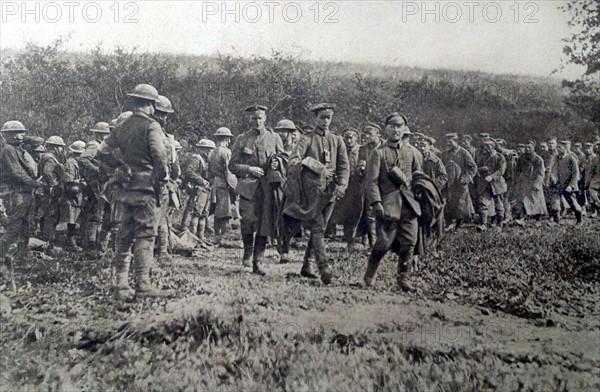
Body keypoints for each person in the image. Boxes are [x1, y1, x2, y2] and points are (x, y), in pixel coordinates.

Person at [97, 83, 170, 300]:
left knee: (125, 236)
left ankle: (120, 285)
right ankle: (143, 285)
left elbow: (101, 153)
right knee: (146, 236)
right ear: (151, 105)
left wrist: (120, 166)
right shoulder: (152, 126)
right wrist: (160, 179)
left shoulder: (121, 126)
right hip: (147, 190)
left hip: (126, 190)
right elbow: (160, 158)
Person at [283, 103, 349, 284]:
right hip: (311, 193)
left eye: (328, 117)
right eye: (322, 117)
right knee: (318, 227)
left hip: (331, 192)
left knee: (319, 228)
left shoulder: (337, 140)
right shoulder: (306, 139)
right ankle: (324, 268)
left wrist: (343, 184)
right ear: (315, 119)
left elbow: (343, 165)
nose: (325, 121)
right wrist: (318, 167)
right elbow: (293, 161)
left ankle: (306, 265)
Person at [363, 113, 423, 291]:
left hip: (409, 205)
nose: (396, 130)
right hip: (388, 205)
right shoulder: (378, 153)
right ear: (386, 129)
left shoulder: (412, 152)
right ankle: (369, 275)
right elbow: (371, 182)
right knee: (383, 243)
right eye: (392, 126)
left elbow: (418, 177)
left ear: (405, 129)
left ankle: (403, 278)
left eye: (400, 126)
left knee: (410, 242)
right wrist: (376, 203)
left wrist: (420, 196)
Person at [229, 105, 284, 275]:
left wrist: (277, 163)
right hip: (248, 186)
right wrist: (249, 169)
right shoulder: (242, 139)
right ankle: (247, 251)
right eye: (254, 118)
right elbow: (232, 165)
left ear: (265, 118)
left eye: (260, 118)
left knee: (264, 223)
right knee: (247, 219)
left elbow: (284, 159)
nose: (257, 121)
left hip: (267, 187)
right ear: (249, 119)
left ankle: (257, 260)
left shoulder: (274, 138)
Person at [0, 121, 43, 269]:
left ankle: (22, 260)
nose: (22, 135)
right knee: (13, 229)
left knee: (25, 229)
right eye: (18, 132)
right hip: (16, 194)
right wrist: (35, 183)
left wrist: (23, 137)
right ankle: (0, 259)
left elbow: (39, 141)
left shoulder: (19, 148)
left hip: (26, 193)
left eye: (23, 132)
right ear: (9, 135)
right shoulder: (8, 150)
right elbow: (16, 172)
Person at [80, 121, 112, 257]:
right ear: (100, 134)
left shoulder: (102, 146)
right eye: (105, 134)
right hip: (97, 184)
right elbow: (83, 159)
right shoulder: (95, 145)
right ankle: (91, 245)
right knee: (96, 215)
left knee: (104, 215)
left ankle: (98, 245)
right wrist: (97, 170)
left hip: (103, 183)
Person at [329, 127, 365, 250]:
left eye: (351, 137)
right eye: (346, 138)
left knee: (358, 212)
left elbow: (364, 164)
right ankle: (349, 239)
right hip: (345, 186)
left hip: (358, 186)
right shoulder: (341, 151)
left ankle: (361, 238)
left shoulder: (361, 150)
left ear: (356, 138)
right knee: (346, 212)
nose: (349, 140)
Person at [441, 133, 477, 230]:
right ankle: (449, 222)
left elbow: (473, 167)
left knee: (461, 203)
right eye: (447, 142)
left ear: (456, 142)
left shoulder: (464, 153)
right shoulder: (444, 154)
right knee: (448, 201)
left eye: (450, 142)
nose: (448, 144)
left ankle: (459, 224)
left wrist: (465, 178)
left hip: (460, 182)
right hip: (448, 182)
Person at [208, 127, 236, 245]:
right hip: (224, 184)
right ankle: (223, 238)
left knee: (216, 211)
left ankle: (217, 235)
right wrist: (234, 187)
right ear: (226, 139)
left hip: (215, 183)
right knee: (225, 211)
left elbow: (209, 171)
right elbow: (228, 171)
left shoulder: (212, 152)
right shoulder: (226, 152)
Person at [183, 139, 215, 243]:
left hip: (204, 189)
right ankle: (191, 235)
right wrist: (202, 181)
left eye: (210, 150)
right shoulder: (196, 158)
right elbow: (189, 171)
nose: (209, 152)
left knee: (203, 213)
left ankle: (200, 236)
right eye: (207, 149)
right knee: (195, 211)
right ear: (202, 149)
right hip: (197, 189)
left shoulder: (205, 160)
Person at [38, 136, 67, 247]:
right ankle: (47, 242)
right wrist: (54, 184)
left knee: (47, 215)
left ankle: (45, 240)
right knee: (51, 215)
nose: (61, 150)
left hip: (45, 191)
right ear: (55, 147)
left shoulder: (46, 157)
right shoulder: (50, 158)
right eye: (60, 147)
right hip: (49, 192)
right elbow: (47, 172)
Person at [474, 138, 507, 229]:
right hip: (485, 184)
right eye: (485, 145)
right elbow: (476, 167)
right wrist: (481, 170)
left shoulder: (500, 157)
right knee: (483, 203)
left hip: (497, 184)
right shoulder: (482, 157)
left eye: (488, 145)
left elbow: (501, 170)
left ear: (493, 146)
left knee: (499, 204)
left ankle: (499, 223)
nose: (486, 147)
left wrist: (492, 176)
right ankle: (483, 224)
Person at [546, 140, 582, 224]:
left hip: (569, 185)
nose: (558, 149)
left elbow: (575, 174)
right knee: (555, 201)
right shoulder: (556, 158)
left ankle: (579, 220)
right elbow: (552, 169)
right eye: (557, 147)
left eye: (560, 147)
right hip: (559, 184)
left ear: (565, 148)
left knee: (573, 203)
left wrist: (571, 185)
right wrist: (553, 178)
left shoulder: (571, 158)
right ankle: (556, 220)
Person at [512, 140, 547, 224]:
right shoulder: (522, 158)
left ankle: (538, 219)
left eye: (529, 147)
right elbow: (517, 170)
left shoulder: (538, 159)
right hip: (524, 182)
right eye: (526, 147)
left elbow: (541, 173)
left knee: (536, 200)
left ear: (533, 148)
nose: (527, 149)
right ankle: (522, 218)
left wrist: (537, 184)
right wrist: (517, 181)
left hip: (534, 182)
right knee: (522, 200)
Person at [61, 141, 87, 250]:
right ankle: (70, 243)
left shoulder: (76, 163)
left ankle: (72, 241)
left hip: (77, 196)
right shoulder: (70, 164)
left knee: (75, 218)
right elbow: (68, 181)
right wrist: (81, 182)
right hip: (72, 196)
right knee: (71, 219)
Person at [585, 142, 600, 217]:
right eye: (598, 147)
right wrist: (587, 182)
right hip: (596, 180)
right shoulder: (595, 159)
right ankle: (596, 210)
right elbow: (591, 171)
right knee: (591, 195)